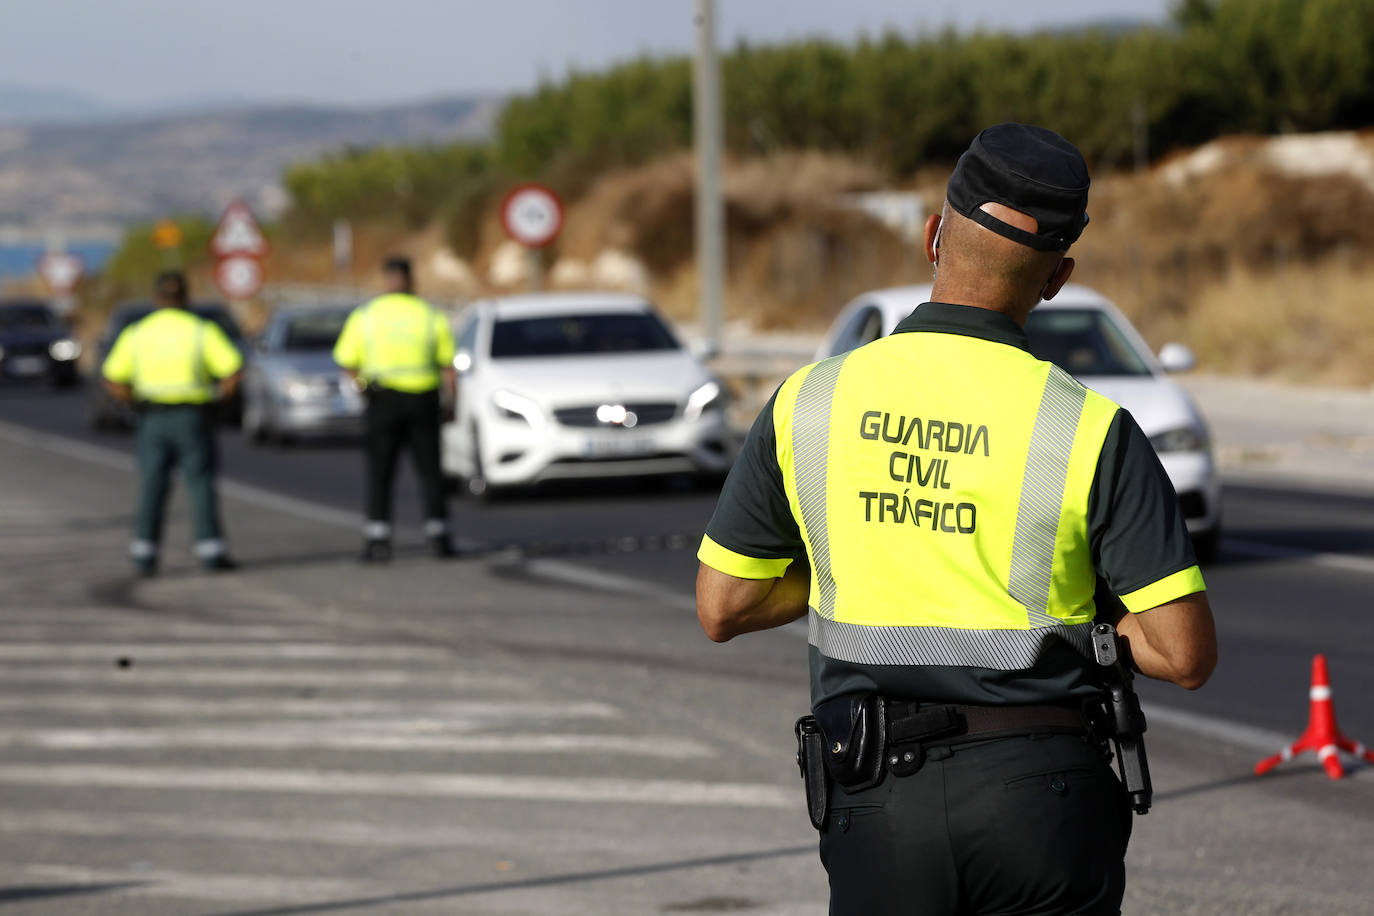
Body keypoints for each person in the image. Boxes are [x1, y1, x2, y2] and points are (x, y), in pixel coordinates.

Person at [695, 123, 1217, 915]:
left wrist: (857, 561)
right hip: (1045, 797)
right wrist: (1102, 626)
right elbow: (1183, 654)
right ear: (1057, 278)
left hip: (878, 799)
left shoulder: (810, 400)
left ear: (933, 235)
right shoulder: (1089, 430)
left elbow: (722, 605)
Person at [101, 270, 243, 576]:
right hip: (192, 416)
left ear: (156, 299)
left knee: (152, 485)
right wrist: (218, 400)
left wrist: (131, 403)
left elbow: (113, 378)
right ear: (186, 297)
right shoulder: (201, 330)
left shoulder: (137, 333)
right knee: (200, 484)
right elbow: (232, 370)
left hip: (152, 418)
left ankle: (144, 555)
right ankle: (211, 552)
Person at [333, 256, 457, 562]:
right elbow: (448, 367)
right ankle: (438, 535)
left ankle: (378, 538)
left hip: (383, 400)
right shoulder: (429, 314)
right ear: (411, 279)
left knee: (380, 471)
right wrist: (452, 402)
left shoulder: (368, 315)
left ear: (386, 279)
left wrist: (364, 389)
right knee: (430, 471)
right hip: (422, 399)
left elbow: (347, 362)